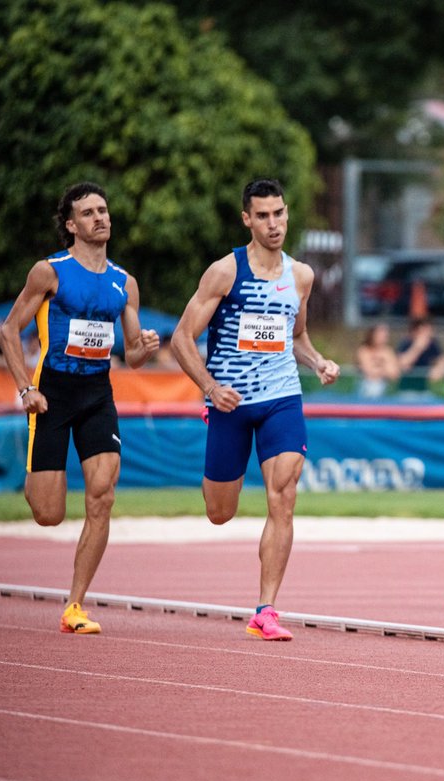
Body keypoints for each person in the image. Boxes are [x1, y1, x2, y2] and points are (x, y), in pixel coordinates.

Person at [171, 178, 340, 641]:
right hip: (231, 401)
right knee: (219, 511)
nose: (273, 224)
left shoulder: (300, 275)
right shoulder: (224, 272)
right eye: (262, 215)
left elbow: (296, 336)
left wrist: (318, 361)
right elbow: (181, 338)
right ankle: (262, 597)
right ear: (247, 219)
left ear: (288, 214)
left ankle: (266, 610)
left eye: (279, 214)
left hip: (282, 398)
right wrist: (209, 386)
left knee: (283, 496)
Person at [0, 182, 160, 634]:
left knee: (102, 497)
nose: (100, 218)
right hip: (51, 395)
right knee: (48, 513)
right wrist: (23, 389)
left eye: (104, 210)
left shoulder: (124, 282)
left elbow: (132, 354)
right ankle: (35, 476)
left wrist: (146, 345)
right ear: (71, 225)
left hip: (97, 396)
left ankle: (75, 606)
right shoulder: (49, 272)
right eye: (88, 213)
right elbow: (9, 331)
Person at [397, 315, 444, 385]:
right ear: (415, 332)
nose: (429, 335)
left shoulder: (432, 343)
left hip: (425, 388)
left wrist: (439, 369)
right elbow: (401, 363)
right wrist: (417, 349)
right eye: (425, 332)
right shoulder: (406, 343)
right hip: (407, 387)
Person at [354, 323, 401, 398]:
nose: (384, 337)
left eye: (385, 335)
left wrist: (377, 365)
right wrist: (383, 365)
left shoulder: (388, 352)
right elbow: (368, 372)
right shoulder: (363, 350)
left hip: (385, 389)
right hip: (366, 388)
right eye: (381, 334)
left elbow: (394, 374)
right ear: (373, 334)